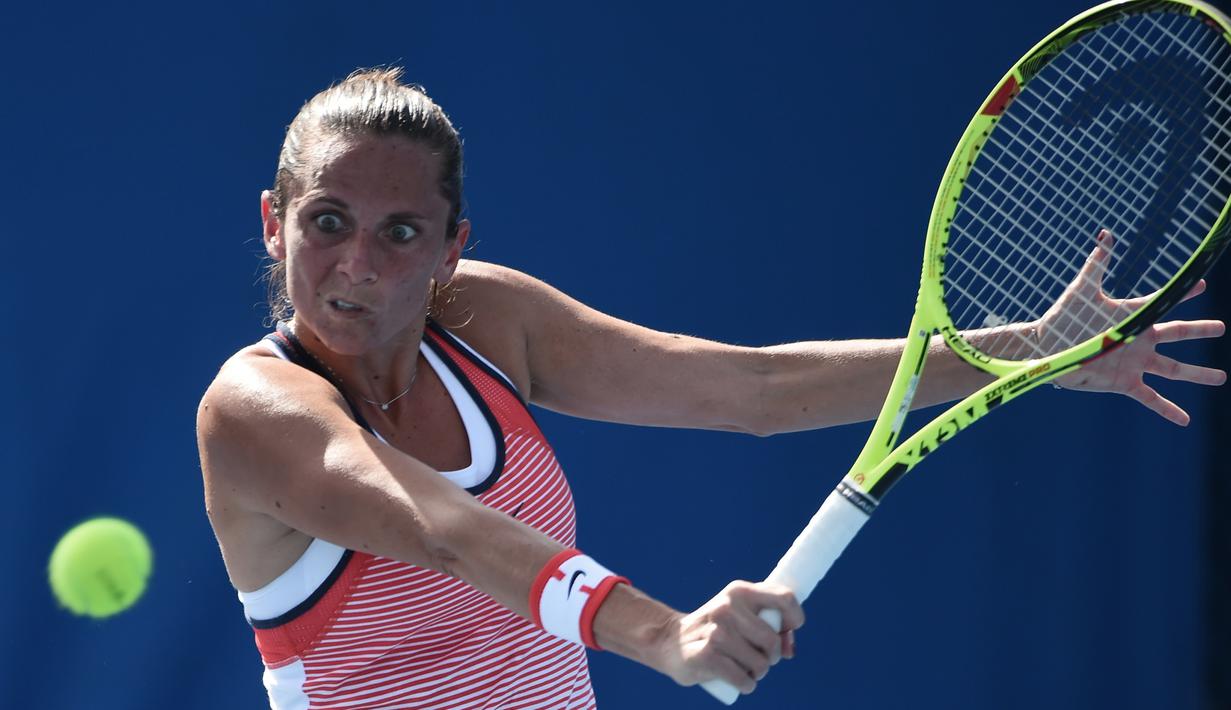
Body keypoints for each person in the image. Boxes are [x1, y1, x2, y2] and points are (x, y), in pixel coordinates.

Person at [196, 68, 1226, 710]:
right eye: (326, 221)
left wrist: (1028, 350)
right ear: (274, 223)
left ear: (451, 249)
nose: (359, 264)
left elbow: (751, 388)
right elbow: (446, 530)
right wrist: (666, 634)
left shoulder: (486, 320)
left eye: (400, 232)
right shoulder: (253, 411)